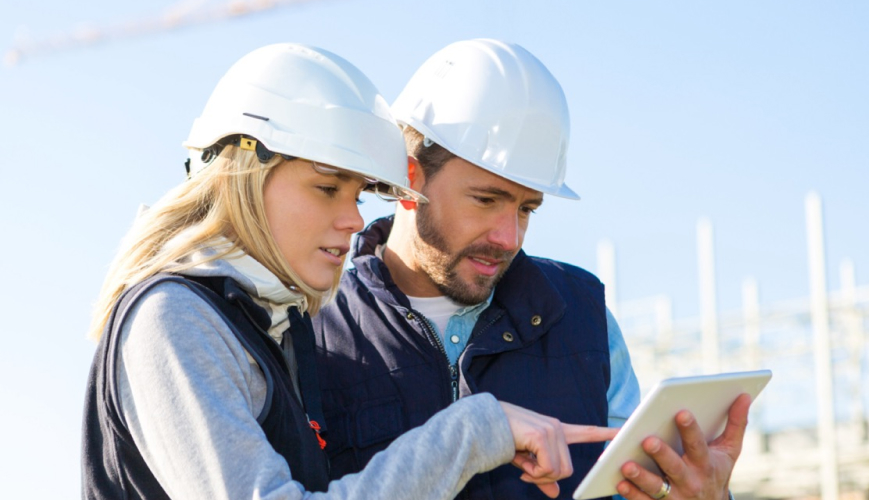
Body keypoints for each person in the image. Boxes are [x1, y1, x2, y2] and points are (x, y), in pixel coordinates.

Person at [80, 43, 617, 500]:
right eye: (326, 187)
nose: (355, 217)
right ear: (245, 170)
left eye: (357, 192)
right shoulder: (174, 319)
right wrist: (475, 431)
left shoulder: (263, 328)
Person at [312, 38, 752, 500]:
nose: (509, 238)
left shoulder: (583, 316)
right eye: (486, 200)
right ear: (408, 176)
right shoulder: (312, 323)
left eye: (527, 209)